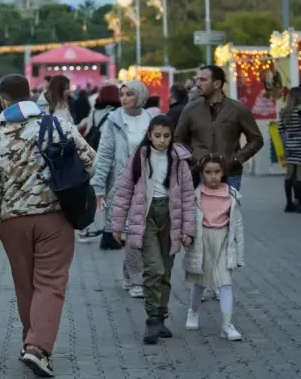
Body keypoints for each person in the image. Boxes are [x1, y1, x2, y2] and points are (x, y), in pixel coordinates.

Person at [0, 74, 96, 378]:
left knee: (25, 285)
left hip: (13, 222)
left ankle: (30, 341)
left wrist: (2, 212)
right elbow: (90, 160)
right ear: (31, 96)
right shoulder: (57, 126)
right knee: (50, 283)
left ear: (3, 101)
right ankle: (37, 348)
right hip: (54, 217)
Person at [110, 115, 195, 345]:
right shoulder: (139, 157)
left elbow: (188, 197)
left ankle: (160, 317)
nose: (162, 140)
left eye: (166, 136)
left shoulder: (179, 160)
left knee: (166, 271)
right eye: (157, 135)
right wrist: (117, 224)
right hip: (146, 218)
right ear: (149, 135)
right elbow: (124, 190)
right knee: (154, 269)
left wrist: (188, 229)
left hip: (170, 217)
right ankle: (151, 320)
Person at [91, 81, 152, 296]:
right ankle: (137, 281)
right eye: (122, 94)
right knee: (130, 232)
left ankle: (129, 274)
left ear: (140, 96)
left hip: (149, 184)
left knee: (144, 233)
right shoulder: (114, 120)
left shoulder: (152, 120)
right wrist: (98, 186)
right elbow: (105, 153)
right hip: (123, 184)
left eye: (129, 94)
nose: (124, 98)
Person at [183, 153, 245, 341]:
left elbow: (238, 227)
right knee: (200, 281)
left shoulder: (231, 195)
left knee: (225, 282)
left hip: (224, 242)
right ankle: (193, 311)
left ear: (223, 172)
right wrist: (187, 235)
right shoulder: (196, 195)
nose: (213, 176)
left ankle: (227, 324)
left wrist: (239, 255)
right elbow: (189, 219)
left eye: (217, 172)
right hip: (202, 242)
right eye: (208, 172)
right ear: (201, 173)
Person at [176, 65, 264, 191]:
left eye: (203, 80)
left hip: (230, 175)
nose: (198, 84)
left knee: (228, 211)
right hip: (199, 174)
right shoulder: (190, 109)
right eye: (198, 80)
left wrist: (236, 159)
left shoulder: (238, 109)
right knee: (200, 211)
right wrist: (193, 157)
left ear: (217, 84)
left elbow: (256, 139)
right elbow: (178, 139)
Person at [279, 87, 301, 212]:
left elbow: (281, 130)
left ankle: (288, 203)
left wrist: (285, 146)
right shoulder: (299, 112)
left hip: (289, 146)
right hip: (299, 145)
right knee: (299, 174)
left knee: (289, 174)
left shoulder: (284, 112)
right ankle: (299, 203)